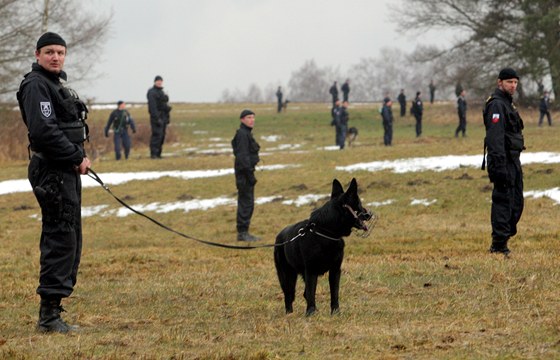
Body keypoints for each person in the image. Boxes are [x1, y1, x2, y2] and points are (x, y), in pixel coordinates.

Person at [16, 32, 91, 333]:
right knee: (60, 237)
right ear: (37, 55)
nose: (56, 57)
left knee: (70, 236)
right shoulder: (36, 86)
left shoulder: (54, 85)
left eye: (60, 52)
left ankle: (54, 310)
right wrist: (76, 155)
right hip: (53, 170)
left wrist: (76, 158)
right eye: (49, 52)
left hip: (66, 170)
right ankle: (48, 317)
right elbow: (44, 131)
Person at [482, 68, 525, 256]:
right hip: (502, 160)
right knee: (503, 200)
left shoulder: (508, 104)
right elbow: (495, 138)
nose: (513, 86)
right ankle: (499, 245)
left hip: (513, 160)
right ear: (500, 83)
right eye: (509, 82)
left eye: (515, 82)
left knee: (516, 201)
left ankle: (504, 236)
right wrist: (499, 165)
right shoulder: (497, 105)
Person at [232, 109, 261, 242]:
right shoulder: (242, 135)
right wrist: (249, 175)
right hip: (244, 174)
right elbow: (243, 158)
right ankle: (242, 233)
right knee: (246, 203)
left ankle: (244, 231)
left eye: (253, 117)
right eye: (249, 117)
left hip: (247, 173)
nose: (252, 120)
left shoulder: (246, 133)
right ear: (242, 119)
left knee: (248, 202)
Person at [147, 75, 171, 159]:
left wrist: (167, 111)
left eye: (161, 81)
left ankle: (158, 154)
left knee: (162, 136)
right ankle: (153, 154)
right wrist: (156, 118)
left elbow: (163, 105)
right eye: (158, 81)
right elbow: (153, 107)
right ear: (155, 82)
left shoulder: (162, 92)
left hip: (163, 117)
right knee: (157, 135)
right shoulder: (152, 92)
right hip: (156, 118)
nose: (159, 82)